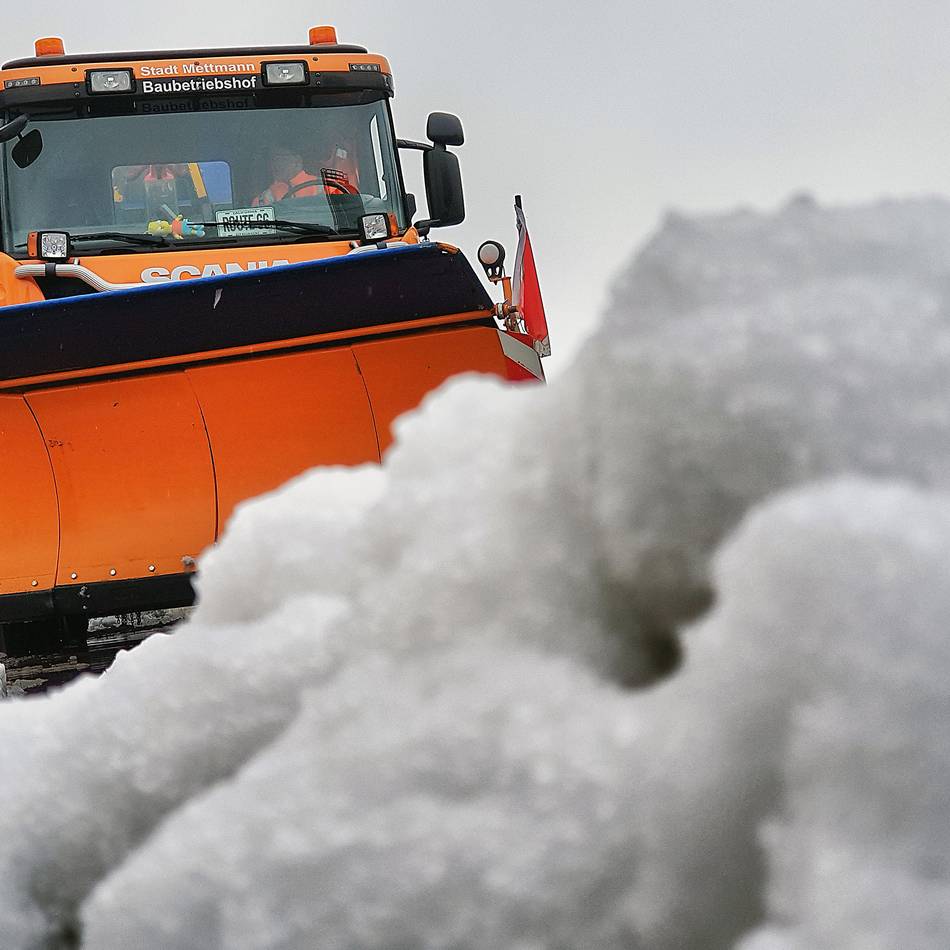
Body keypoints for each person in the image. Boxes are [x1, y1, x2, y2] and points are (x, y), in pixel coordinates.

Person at [252, 145, 321, 206]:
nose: (274, 165)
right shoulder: (270, 194)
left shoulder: (323, 186)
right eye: (272, 159)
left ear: (297, 161)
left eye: (279, 159)